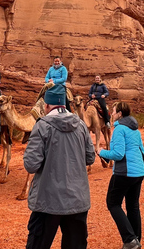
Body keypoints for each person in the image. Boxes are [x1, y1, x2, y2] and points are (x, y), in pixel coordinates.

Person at [23, 88, 96, 249]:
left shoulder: (41, 126)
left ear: (47, 105)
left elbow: (31, 164)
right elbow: (90, 158)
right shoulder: (82, 126)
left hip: (47, 201)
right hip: (77, 200)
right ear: (64, 104)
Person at [98, 102, 144, 249]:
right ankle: (136, 240)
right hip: (138, 172)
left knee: (113, 203)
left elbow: (118, 154)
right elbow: (142, 150)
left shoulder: (119, 129)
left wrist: (101, 152)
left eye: (113, 111)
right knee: (133, 206)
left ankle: (130, 240)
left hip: (124, 173)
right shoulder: (135, 130)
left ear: (120, 113)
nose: (112, 113)